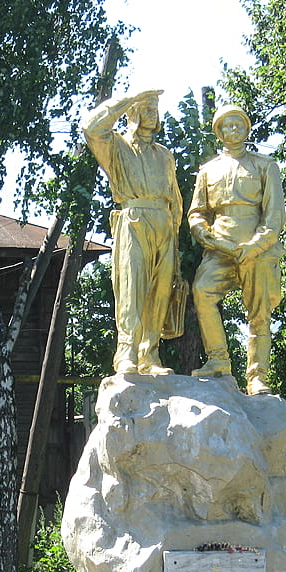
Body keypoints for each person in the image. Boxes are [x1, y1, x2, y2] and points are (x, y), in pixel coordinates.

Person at [81, 89, 183, 376]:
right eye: (146, 108)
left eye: (155, 108)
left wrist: (174, 239)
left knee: (160, 292)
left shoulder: (164, 155)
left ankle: (149, 355)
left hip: (164, 224)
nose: (153, 113)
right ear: (133, 113)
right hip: (133, 219)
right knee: (131, 288)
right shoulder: (117, 146)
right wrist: (128, 99)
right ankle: (126, 352)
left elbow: (175, 199)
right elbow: (91, 127)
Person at [188, 105, 286, 395]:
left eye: (238, 125)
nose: (233, 130)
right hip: (220, 248)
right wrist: (202, 232)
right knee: (202, 291)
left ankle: (258, 376)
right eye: (227, 126)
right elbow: (197, 212)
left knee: (259, 313)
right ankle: (218, 359)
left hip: (257, 249)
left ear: (246, 129)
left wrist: (256, 246)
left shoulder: (265, 165)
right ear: (218, 132)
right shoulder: (208, 170)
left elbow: (274, 214)